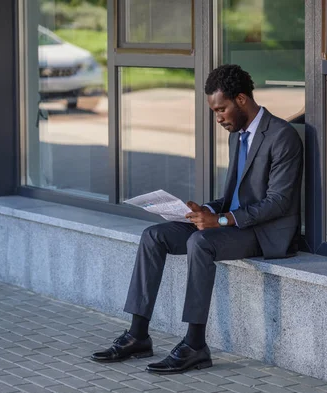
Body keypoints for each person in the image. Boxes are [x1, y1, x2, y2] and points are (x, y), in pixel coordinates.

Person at [91, 64, 303, 374]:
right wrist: (203, 209)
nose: (218, 118)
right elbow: (233, 195)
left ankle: (194, 345)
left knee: (200, 241)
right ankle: (137, 335)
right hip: (232, 222)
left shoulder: (282, 136)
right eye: (215, 110)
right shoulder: (238, 136)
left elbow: (279, 203)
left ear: (242, 99)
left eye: (222, 109)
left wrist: (220, 221)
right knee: (154, 235)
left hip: (264, 232)